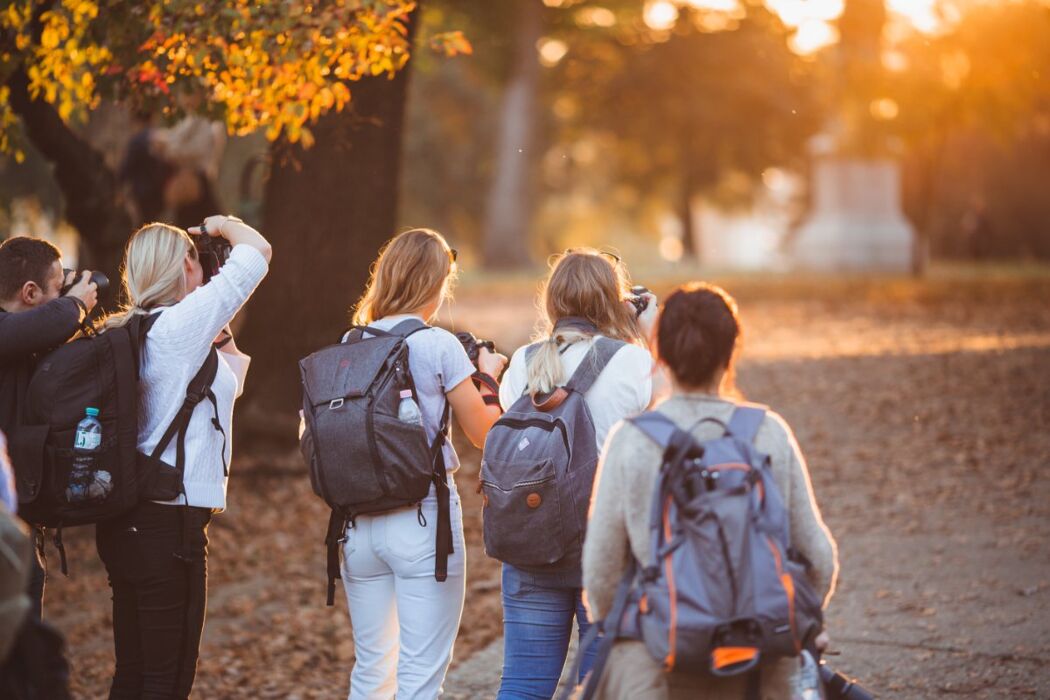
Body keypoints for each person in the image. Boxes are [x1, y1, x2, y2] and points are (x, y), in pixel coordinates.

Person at [582, 282, 839, 699]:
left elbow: (601, 571)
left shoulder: (630, 440)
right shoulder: (768, 432)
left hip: (659, 662)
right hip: (761, 665)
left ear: (658, 354)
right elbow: (818, 558)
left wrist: (645, 626)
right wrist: (787, 623)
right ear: (731, 352)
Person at [94, 215, 270, 699]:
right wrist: (222, 224)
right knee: (165, 683)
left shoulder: (140, 329)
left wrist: (214, 309)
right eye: (195, 260)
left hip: (127, 522)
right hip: (168, 527)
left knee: (132, 673)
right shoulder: (178, 328)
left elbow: (228, 384)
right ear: (185, 266)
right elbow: (257, 253)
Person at [331, 228, 506, 700]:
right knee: (419, 679)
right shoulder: (438, 345)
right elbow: (485, 433)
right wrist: (488, 376)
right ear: (436, 283)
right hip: (423, 522)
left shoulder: (350, 341)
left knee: (371, 672)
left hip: (356, 528)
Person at [494, 249, 657, 699]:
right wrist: (650, 332)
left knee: (523, 683)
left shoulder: (523, 363)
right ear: (614, 300)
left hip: (531, 537)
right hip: (607, 545)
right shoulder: (634, 364)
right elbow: (675, 416)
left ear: (551, 301)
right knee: (601, 686)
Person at [0, 236, 99, 619]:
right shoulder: (10, 333)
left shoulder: (25, 342)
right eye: (57, 287)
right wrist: (75, 304)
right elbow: (40, 325)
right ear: (29, 292)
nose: (64, 296)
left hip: (20, 517)